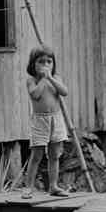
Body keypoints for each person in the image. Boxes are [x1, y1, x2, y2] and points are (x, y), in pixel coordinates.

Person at [22, 45, 70, 198]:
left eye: (49, 62)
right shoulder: (32, 80)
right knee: (37, 154)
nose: (45, 65)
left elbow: (64, 92)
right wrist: (43, 79)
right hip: (40, 121)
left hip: (56, 119)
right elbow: (35, 95)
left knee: (55, 154)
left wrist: (50, 78)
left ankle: (54, 186)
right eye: (41, 62)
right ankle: (28, 187)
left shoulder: (56, 78)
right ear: (32, 65)